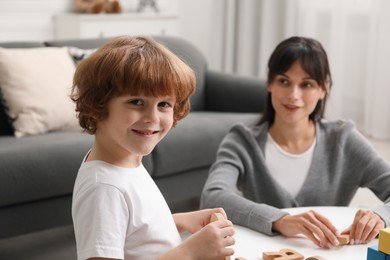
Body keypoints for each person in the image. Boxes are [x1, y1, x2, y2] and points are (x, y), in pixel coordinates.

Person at [200, 36, 390, 249]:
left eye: (306, 84)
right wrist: (279, 220)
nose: (293, 95)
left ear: (323, 89)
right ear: (270, 83)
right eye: (284, 81)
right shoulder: (242, 140)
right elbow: (212, 197)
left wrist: (380, 216)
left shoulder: (344, 139)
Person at [71, 35, 235, 260]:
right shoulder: (105, 189)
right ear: (97, 105)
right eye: (137, 102)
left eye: (164, 104)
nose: (152, 117)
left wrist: (180, 221)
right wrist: (190, 252)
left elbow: (136, 232)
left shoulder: (125, 162)